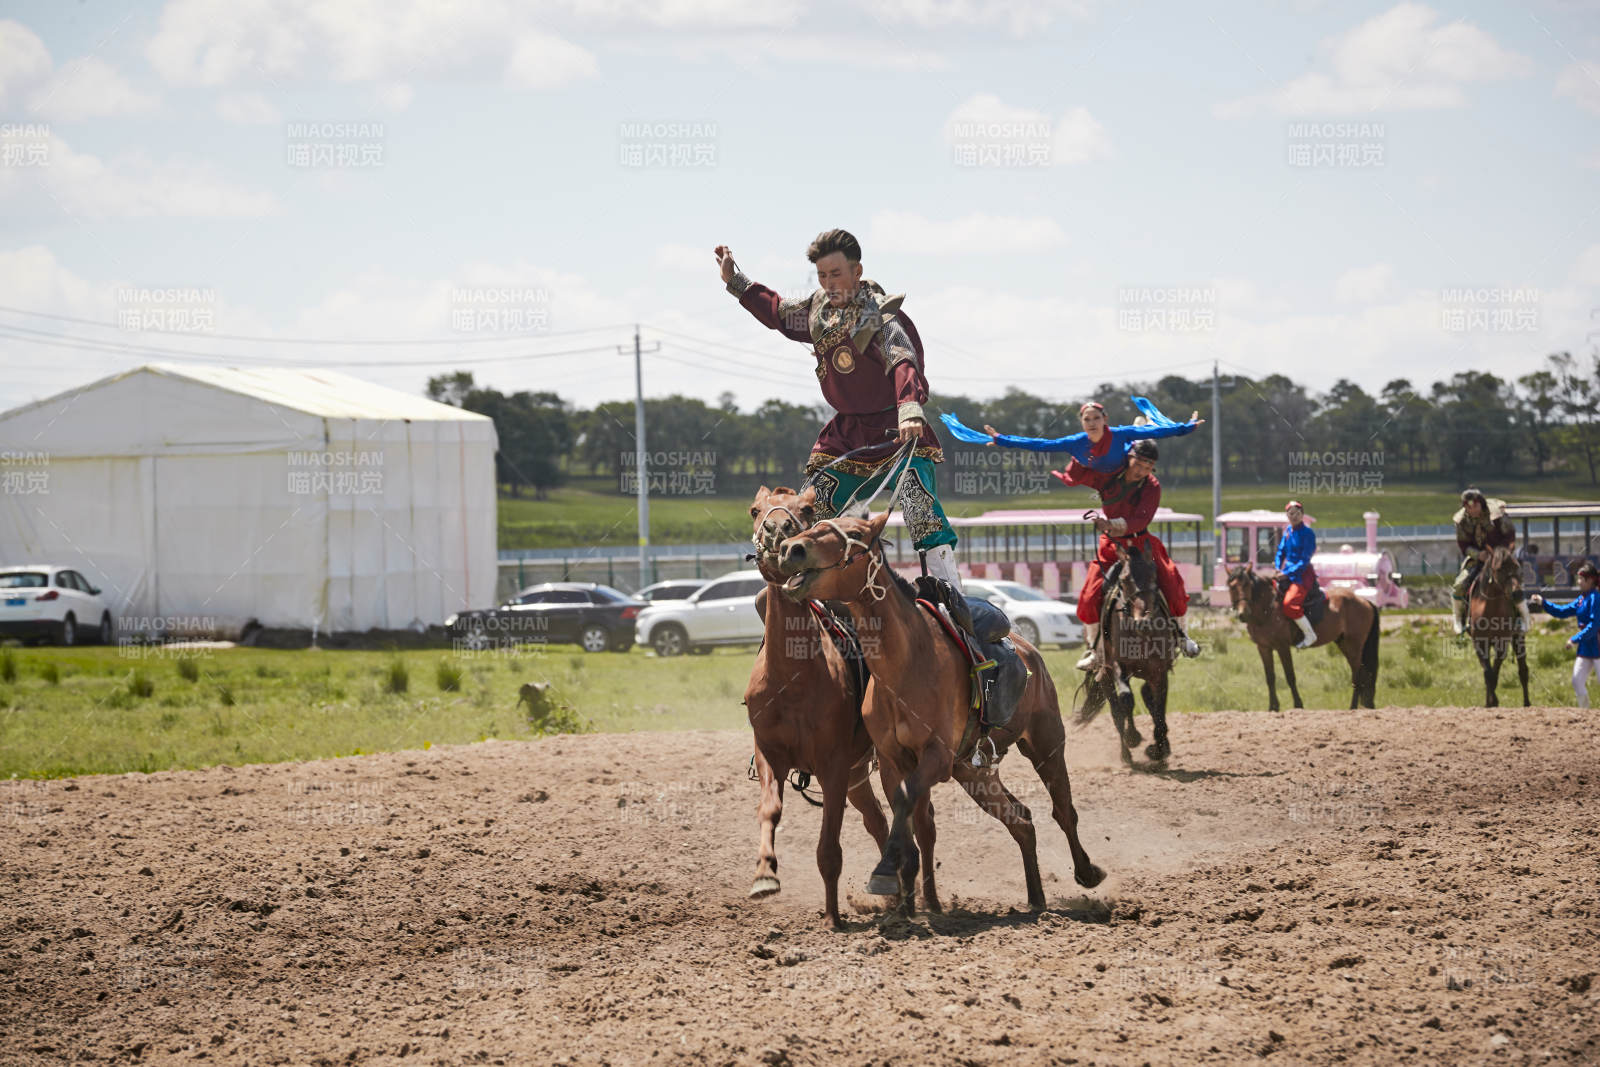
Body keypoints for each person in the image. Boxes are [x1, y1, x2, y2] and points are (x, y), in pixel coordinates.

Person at [714, 230, 962, 592]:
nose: (829, 283)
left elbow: (903, 358)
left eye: (836, 274)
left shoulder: (879, 315)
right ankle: (820, 594)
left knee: (920, 508)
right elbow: (779, 313)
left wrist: (909, 407)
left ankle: (950, 594)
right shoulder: (817, 312)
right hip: (846, 435)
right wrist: (736, 281)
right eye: (822, 275)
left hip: (897, 431)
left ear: (857, 271)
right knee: (813, 506)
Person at [1060, 438, 1200, 670]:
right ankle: (1095, 651)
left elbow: (1140, 520)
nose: (1142, 472)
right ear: (1129, 458)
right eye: (1138, 465)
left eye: (1148, 468)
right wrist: (1080, 449)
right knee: (1088, 596)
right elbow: (1078, 476)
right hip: (1111, 548)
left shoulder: (1152, 486)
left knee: (1173, 584)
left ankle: (1182, 637)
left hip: (1142, 546)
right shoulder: (1108, 475)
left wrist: (1110, 523)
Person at [939, 398, 1203, 473]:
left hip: (1119, 461)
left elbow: (1159, 430)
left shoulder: (1119, 433)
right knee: (1073, 472)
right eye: (1087, 420)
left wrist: (1185, 428)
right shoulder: (1075, 441)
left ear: (1105, 420)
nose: (1091, 423)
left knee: (1143, 438)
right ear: (1082, 423)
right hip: (1089, 467)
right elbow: (1040, 445)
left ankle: (1139, 429)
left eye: (1096, 419)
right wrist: (1000, 439)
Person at [1451, 488, 1527, 636]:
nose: (1472, 510)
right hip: (1477, 560)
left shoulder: (1497, 516)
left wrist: (1500, 554)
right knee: (1459, 585)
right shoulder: (1462, 522)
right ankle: (1459, 619)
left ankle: (1523, 617)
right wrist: (1479, 555)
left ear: (1481, 504)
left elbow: (1510, 536)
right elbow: (1464, 546)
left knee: (1513, 583)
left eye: (1475, 506)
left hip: (1502, 559)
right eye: (1468, 507)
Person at [1530, 562, 1600, 708]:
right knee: (1577, 681)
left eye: (1581, 579)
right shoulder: (1582, 599)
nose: (1578, 582)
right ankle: (1586, 714)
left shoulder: (1595, 598)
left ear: (1590, 580)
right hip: (1586, 648)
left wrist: (1574, 639)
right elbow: (1562, 611)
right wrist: (1543, 603)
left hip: (1598, 647)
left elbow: (1594, 626)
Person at [1275, 501, 1319, 648]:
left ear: (1302, 515)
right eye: (1291, 513)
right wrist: (1276, 568)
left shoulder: (1308, 534)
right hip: (1286, 574)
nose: (1294, 516)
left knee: (1289, 605)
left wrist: (1286, 573)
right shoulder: (1287, 531)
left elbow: (1304, 560)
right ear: (1287, 515)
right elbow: (1280, 552)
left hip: (1302, 576)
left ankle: (1310, 635)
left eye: (1297, 513)